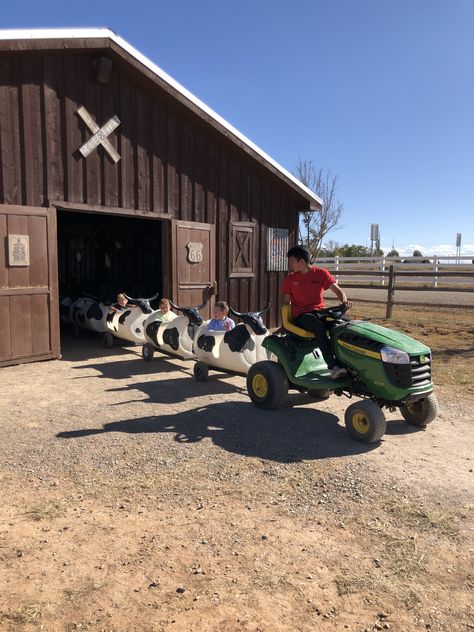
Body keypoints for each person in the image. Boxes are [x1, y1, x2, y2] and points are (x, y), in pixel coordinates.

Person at [282, 245, 352, 379]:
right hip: (302, 316)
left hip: (319, 312)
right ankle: (333, 367)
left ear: (301, 262)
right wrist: (285, 324)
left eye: (291, 261)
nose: (289, 264)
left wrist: (344, 303)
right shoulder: (290, 279)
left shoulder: (321, 274)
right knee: (318, 327)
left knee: (342, 326)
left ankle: (348, 364)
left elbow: (339, 291)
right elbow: (286, 305)